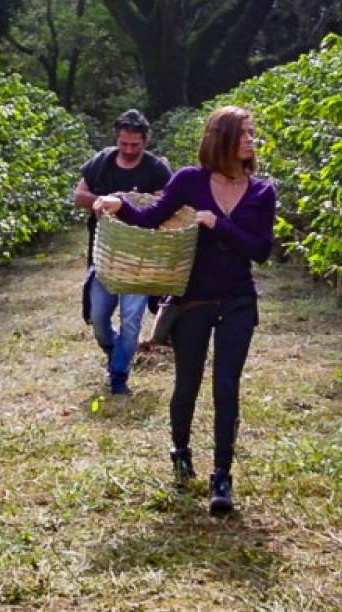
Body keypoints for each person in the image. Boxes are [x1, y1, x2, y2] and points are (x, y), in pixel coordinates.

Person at [95, 106, 275, 516]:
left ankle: (222, 477)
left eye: (252, 134)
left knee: (226, 386)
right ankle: (180, 450)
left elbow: (261, 250)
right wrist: (117, 204)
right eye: (245, 133)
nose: (251, 140)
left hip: (238, 300)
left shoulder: (262, 192)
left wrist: (219, 224)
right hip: (192, 300)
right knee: (187, 383)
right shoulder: (189, 181)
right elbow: (151, 219)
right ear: (223, 138)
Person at [73, 109, 172, 395]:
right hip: (104, 254)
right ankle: (115, 351)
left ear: (145, 142)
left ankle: (119, 377)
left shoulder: (156, 169)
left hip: (139, 257)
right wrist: (103, 201)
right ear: (116, 139)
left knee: (131, 320)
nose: (128, 151)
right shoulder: (100, 163)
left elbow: (168, 205)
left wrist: (135, 205)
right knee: (99, 319)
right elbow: (79, 195)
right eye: (124, 144)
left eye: (135, 146)